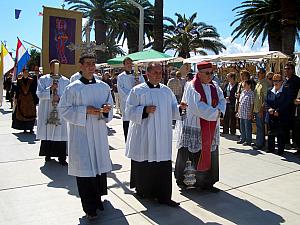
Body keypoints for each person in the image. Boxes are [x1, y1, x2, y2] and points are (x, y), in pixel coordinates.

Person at [58, 52, 113, 219]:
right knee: (85, 170)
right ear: (81, 66)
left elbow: (109, 105)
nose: (91, 67)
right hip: (81, 134)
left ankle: (98, 200)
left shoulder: (103, 87)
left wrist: (105, 110)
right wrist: (84, 111)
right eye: (87, 63)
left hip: (98, 133)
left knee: (98, 167)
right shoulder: (73, 88)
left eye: (93, 63)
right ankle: (89, 208)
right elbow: (63, 110)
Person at [125, 62, 187, 207]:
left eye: (160, 73)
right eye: (155, 72)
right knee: (145, 162)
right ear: (147, 74)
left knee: (163, 164)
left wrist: (179, 108)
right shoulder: (138, 90)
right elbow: (128, 111)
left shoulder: (166, 91)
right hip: (144, 134)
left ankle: (164, 196)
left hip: (162, 135)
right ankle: (144, 192)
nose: (159, 75)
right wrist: (144, 110)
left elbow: (172, 108)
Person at [175, 62, 226, 192]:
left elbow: (222, 100)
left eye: (211, 73)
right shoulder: (192, 86)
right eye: (207, 73)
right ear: (199, 73)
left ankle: (208, 182)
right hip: (195, 125)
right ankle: (188, 182)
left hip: (211, 126)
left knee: (210, 152)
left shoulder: (214, 86)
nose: (210, 76)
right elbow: (197, 107)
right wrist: (216, 113)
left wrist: (219, 111)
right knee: (192, 153)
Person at [36, 59, 70, 165]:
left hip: (60, 110)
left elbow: (69, 96)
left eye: (56, 66)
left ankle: (62, 157)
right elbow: (39, 94)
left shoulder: (65, 81)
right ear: (50, 67)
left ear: (59, 67)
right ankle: (48, 154)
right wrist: (50, 89)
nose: (54, 68)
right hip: (47, 110)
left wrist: (59, 98)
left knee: (61, 133)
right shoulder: (43, 79)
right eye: (52, 66)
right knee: (48, 131)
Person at [117, 57, 144, 141]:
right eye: (127, 63)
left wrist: (139, 84)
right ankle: (127, 143)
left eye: (130, 63)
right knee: (127, 124)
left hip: (138, 104)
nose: (129, 65)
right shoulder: (121, 77)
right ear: (124, 65)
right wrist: (133, 93)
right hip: (127, 104)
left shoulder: (138, 74)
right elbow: (121, 90)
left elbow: (144, 86)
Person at [265, 74, 290, 156]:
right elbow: (266, 102)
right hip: (271, 115)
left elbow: (286, 103)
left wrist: (278, 111)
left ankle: (280, 150)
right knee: (270, 133)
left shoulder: (285, 91)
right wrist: (269, 109)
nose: (275, 82)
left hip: (281, 116)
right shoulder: (269, 90)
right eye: (274, 80)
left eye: (278, 81)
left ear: (282, 82)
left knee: (280, 134)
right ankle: (271, 148)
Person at [12, 67, 38, 133]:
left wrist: (35, 99)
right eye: (25, 72)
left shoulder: (32, 80)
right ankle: (24, 128)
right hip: (22, 99)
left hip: (30, 100)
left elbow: (34, 90)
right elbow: (17, 89)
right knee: (22, 113)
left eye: (27, 72)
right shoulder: (19, 80)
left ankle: (31, 128)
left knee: (31, 113)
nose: (26, 73)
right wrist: (16, 98)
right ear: (23, 73)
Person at [283, 62, 300, 148]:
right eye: (285, 69)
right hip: (285, 106)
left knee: (294, 126)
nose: (286, 70)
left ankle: (295, 143)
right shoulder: (284, 80)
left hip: (294, 107)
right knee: (285, 124)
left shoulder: (297, 80)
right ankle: (286, 142)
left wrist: (298, 100)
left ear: (292, 70)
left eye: (288, 69)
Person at [252, 68, 269, 150]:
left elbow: (266, 98)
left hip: (260, 110)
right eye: (257, 73)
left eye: (259, 73)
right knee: (259, 126)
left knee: (260, 127)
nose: (257, 74)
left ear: (263, 74)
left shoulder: (265, 83)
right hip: (256, 109)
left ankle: (259, 144)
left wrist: (261, 110)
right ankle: (260, 142)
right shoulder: (258, 83)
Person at [237, 80, 254, 146]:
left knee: (247, 127)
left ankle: (248, 140)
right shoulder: (243, 92)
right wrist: (238, 111)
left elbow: (252, 104)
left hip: (247, 113)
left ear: (249, 85)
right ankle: (242, 139)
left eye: (245, 85)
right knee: (242, 127)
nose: (244, 86)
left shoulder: (251, 93)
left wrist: (251, 113)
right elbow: (240, 102)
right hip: (241, 112)